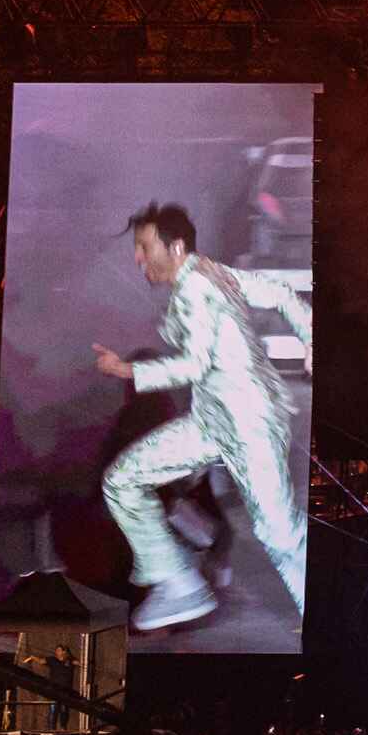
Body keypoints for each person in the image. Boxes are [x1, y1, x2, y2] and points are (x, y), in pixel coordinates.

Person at [94, 201, 312, 632]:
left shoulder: (197, 285)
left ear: (175, 247)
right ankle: (178, 584)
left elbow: (194, 365)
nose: (137, 258)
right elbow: (283, 295)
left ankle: (323, 612)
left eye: (144, 246)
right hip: (214, 422)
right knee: (123, 479)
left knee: (281, 535)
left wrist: (128, 370)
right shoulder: (216, 273)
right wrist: (309, 334)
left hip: (249, 421)